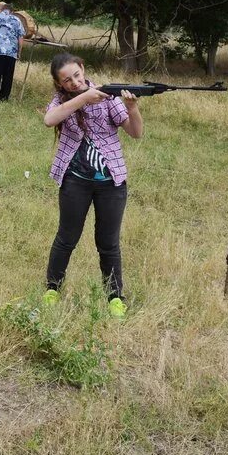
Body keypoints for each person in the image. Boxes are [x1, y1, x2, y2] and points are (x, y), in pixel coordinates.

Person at [42, 53, 144, 318]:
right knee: (66, 238)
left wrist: (132, 108)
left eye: (77, 75)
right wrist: (84, 98)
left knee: (108, 243)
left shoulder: (108, 97)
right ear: (60, 84)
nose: (75, 82)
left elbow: (135, 133)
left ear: (83, 69)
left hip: (111, 182)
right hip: (75, 181)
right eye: (67, 80)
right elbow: (49, 119)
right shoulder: (64, 100)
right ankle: (52, 289)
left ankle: (114, 297)